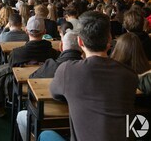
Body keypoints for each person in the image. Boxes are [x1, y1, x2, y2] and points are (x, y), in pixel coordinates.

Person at [50, 11, 138, 141]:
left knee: (45, 135)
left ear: (80, 42)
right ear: (110, 39)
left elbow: (54, 94)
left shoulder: (67, 71)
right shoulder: (129, 75)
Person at [16, 31, 82, 141]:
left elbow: (31, 81)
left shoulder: (51, 66)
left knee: (21, 116)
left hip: (48, 120)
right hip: (78, 124)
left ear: (61, 46)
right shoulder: (89, 71)